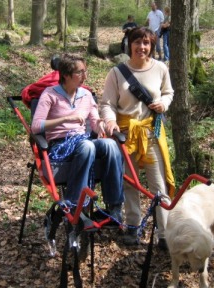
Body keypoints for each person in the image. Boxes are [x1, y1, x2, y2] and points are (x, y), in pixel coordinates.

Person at [101, 27, 175, 250]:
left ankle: (165, 233)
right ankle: (133, 226)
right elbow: (107, 104)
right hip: (125, 135)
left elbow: (168, 92)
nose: (142, 47)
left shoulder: (161, 68)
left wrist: (164, 103)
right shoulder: (117, 73)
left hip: (151, 132)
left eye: (146, 43)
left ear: (152, 45)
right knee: (129, 182)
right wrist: (110, 121)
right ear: (129, 44)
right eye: (137, 42)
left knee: (158, 183)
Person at [31, 53, 124, 221]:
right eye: (80, 72)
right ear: (66, 75)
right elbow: (36, 126)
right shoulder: (50, 94)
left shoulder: (86, 95)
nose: (85, 76)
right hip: (60, 144)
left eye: (85, 71)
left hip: (83, 141)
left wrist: (102, 125)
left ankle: (115, 207)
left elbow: (95, 123)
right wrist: (66, 119)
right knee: (87, 146)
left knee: (110, 144)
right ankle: (74, 205)